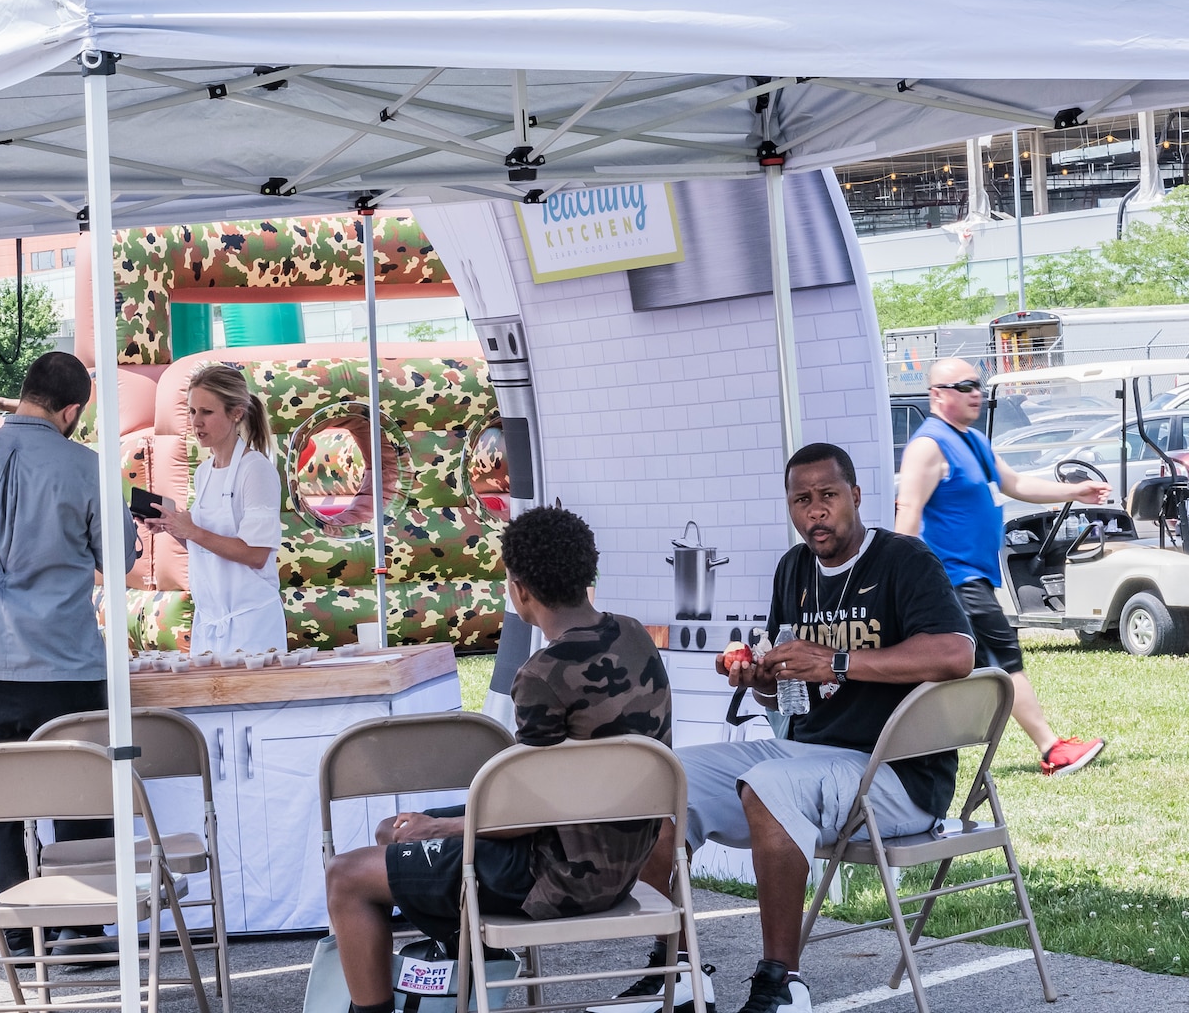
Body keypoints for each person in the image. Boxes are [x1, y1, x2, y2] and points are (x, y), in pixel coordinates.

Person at [616, 443, 973, 1013]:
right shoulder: (793, 569)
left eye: (828, 496)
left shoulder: (905, 561)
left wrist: (835, 660)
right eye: (801, 500)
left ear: (855, 497)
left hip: (898, 775)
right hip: (808, 751)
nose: (815, 511)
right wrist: (755, 674)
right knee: (665, 777)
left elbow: (956, 654)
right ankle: (677, 970)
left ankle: (781, 980)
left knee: (770, 785)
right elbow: (790, 689)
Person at [323, 506, 671, 1013]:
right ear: (585, 573)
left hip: (556, 877)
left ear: (519, 588)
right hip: (623, 863)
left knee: (347, 876)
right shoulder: (635, 635)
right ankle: (472, 970)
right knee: (391, 830)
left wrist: (443, 830)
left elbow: (524, 815)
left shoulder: (542, 675)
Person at [0, 350, 137, 961]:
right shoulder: (87, 468)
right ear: (70, 410)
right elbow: (118, 563)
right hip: (67, 663)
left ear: (25, 394)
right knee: (82, 795)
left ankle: (18, 931)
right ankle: (82, 926)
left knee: (3, 801)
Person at [896, 358, 1107, 776]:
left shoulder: (973, 441)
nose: (976, 392)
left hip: (974, 577)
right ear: (938, 395)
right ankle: (1051, 750)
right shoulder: (928, 446)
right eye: (965, 385)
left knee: (967, 668)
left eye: (978, 384)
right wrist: (895, 581)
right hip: (953, 579)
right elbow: (908, 514)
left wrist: (1075, 491)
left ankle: (910, 748)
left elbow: (1016, 484)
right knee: (1001, 659)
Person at [143, 363, 287, 656]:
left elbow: (257, 554)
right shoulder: (204, 471)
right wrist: (174, 528)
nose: (197, 422)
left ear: (236, 413)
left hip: (251, 625)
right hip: (209, 624)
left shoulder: (255, 469)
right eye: (192, 412)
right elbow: (208, 545)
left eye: (207, 412)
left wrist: (193, 531)